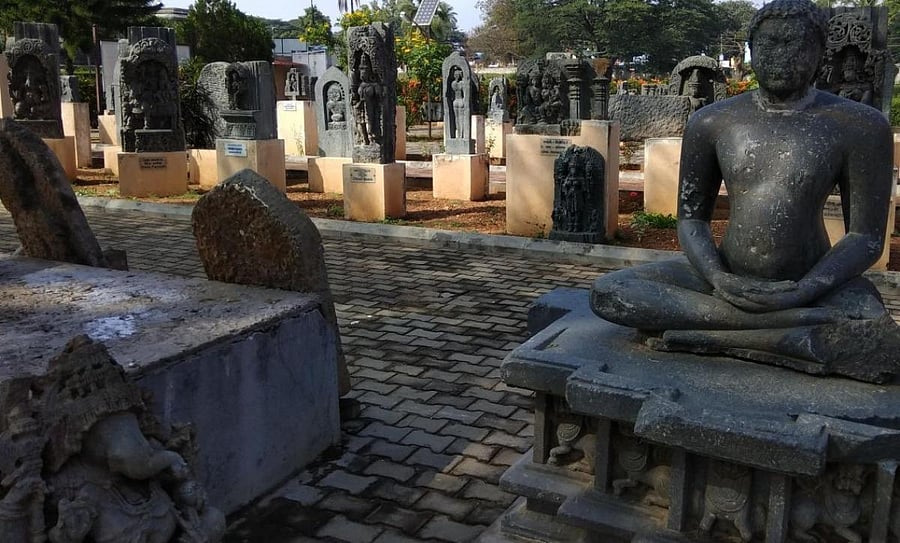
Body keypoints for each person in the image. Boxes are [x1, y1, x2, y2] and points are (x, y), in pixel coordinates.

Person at [590, 0, 899, 380]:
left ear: (819, 52)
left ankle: (718, 332)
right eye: (768, 45)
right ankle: (784, 329)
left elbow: (865, 236)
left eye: (794, 44)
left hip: (813, 283)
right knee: (611, 292)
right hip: (725, 278)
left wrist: (806, 288)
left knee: (868, 320)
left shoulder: (858, 124)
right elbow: (691, 220)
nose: (779, 56)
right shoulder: (712, 121)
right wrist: (719, 278)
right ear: (751, 49)